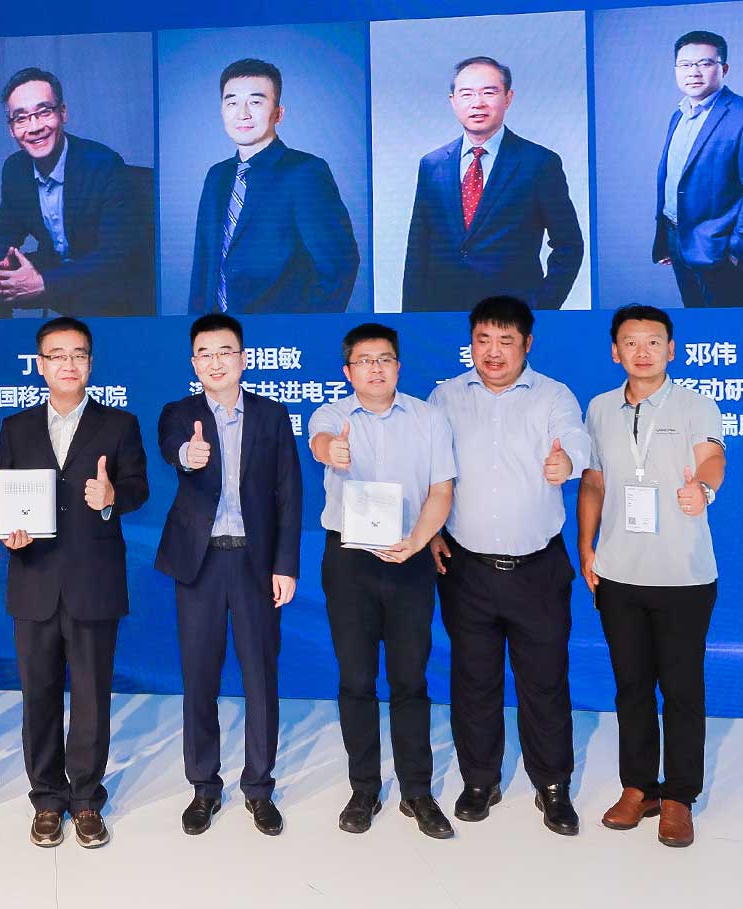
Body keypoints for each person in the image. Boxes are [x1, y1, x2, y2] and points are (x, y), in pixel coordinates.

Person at [426, 296, 592, 837]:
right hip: (466, 569)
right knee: (474, 680)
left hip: (537, 570)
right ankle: (480, 781)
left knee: (544, 682)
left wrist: (567, 460)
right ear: (471, 342)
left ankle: (553, 786)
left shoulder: (553, 396)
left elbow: (576, 439)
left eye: (505, 341)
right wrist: (429, 532)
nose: (493, 353)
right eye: (483, 340)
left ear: (527, 344)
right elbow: (427, 470)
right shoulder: (445, 397)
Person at [0, 317, 149, 849]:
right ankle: (46, 798)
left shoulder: (119, 424)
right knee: (37, 695)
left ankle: (85, 799)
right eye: (56, 355)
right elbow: (6, 495)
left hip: (94, 581)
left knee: (91, 696)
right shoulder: (15, 428)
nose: (68, 364)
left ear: (90, 362)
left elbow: (139, 488)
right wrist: (11, 532)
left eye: (78, 354)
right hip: (33, 579)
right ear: (40, 365)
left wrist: (112, 498)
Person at [577, 305, 726, 849]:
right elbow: (593, 482)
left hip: (683, 574)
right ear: (615, 351)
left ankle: (679, 796)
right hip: (619, 573)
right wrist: (586, 545)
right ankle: (637, 787)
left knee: (682, 689)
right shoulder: (599, 408)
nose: (643, 351)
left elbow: (712, 458)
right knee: (632, 686)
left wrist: (702, 489)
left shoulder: (695, 404)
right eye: (631, 342)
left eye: (653, 341)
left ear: (671, 349)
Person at [306, 323, 456, 839]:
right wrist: (333, 451)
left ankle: (417, 790)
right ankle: (364, 788)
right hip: (350, 560)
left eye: (385, 359)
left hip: (409, 554)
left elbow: (442, 490)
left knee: (410, 679)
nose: (375, 368)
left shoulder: (429, 418)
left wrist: (417, 541)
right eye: (364, 361)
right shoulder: (332, 415)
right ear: (348, 372)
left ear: (398, 366)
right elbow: (320, 443)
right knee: (356, 679)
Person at [154, 313, 302, 837]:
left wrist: (286, 565)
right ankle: (204, 786)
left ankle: (259, 788)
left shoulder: (271, 415)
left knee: (261, 677)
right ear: (194, 363)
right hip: (200, 563)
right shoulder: (179, 413)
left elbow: (289, 492)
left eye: (225, 352)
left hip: (255, 564)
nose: (215, 362)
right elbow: (173, 448)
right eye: (205, 354)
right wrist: (188, 455)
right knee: (199, 677)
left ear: (243, 358)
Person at [403, 56, 584, 311]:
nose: (478, 103)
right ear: (453, 101)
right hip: (443, 313)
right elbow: (418, 249)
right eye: (467, 94)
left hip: (511, 314)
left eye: (489, 92)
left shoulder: (539, 163)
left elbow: (569, 245)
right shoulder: (432, 165)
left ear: (508, 98)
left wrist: (540, 308)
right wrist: (411, 319)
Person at [0, 67, 154, 318]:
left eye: (43, 112)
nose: (34, 127)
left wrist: (44, 283)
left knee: (90, 306)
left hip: (101, 276)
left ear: (63, 112)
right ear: (11, 128)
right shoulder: (15, 169)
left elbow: (115, 255)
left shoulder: (104, 164)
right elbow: (6, 230)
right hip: (55, 264)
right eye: (21, 118)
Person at [188, 58, 359, 314]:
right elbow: (203, 267)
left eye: (255, 102)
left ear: (278, 113)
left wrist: (301, 328)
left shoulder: (305, 172)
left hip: (279, 330)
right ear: (222, 110)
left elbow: (339, 266)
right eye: (232, 102)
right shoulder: (217, 176)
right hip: (218, 330)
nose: (242, 114)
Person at [652, 32, 743, 308]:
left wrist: (739, 250)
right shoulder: (679, 114)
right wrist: (668, 239)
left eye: (705, 63)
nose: (693, 72)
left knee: (726, 329)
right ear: (676, 69)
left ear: (724, 68)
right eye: (685, 64)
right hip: (676, 238)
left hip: (720, 249)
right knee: (695, 323)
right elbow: (674, 179)